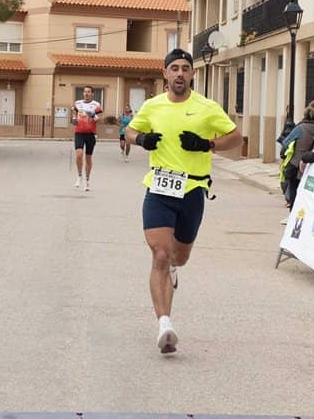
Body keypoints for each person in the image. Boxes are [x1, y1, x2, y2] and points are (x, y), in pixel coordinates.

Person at [125, 48, 243, 355]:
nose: (180, 73)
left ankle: (175, 267)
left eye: (185, 68)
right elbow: (129, 131)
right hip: (159, 188)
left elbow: (236, 138)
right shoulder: (152, 106)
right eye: (174, 68)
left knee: (179, 257)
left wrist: (207, 144)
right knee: (160, 254)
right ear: (165, 73)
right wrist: (142, 139)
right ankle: (164, 324)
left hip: (192, 190)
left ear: (192, 74)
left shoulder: (207, 107)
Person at [280, 102, 314, 214]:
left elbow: (285, 143)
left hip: (296, 167)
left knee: (294, 194)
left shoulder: (300, 128)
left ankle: (294, 216)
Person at [72, 86, 103, 191]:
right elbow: (74, 115)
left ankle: (87, 180)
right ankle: (79, 175)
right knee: (79, 154)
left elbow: (100, 120)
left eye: (89, 92)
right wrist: (74, 119)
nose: (86, 93)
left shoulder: (96, 105)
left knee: (88, 158)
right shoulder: (77, 103)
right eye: (85, 91)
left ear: (92, 93)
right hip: (79, 133)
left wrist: (93, 115)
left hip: (90, 134)